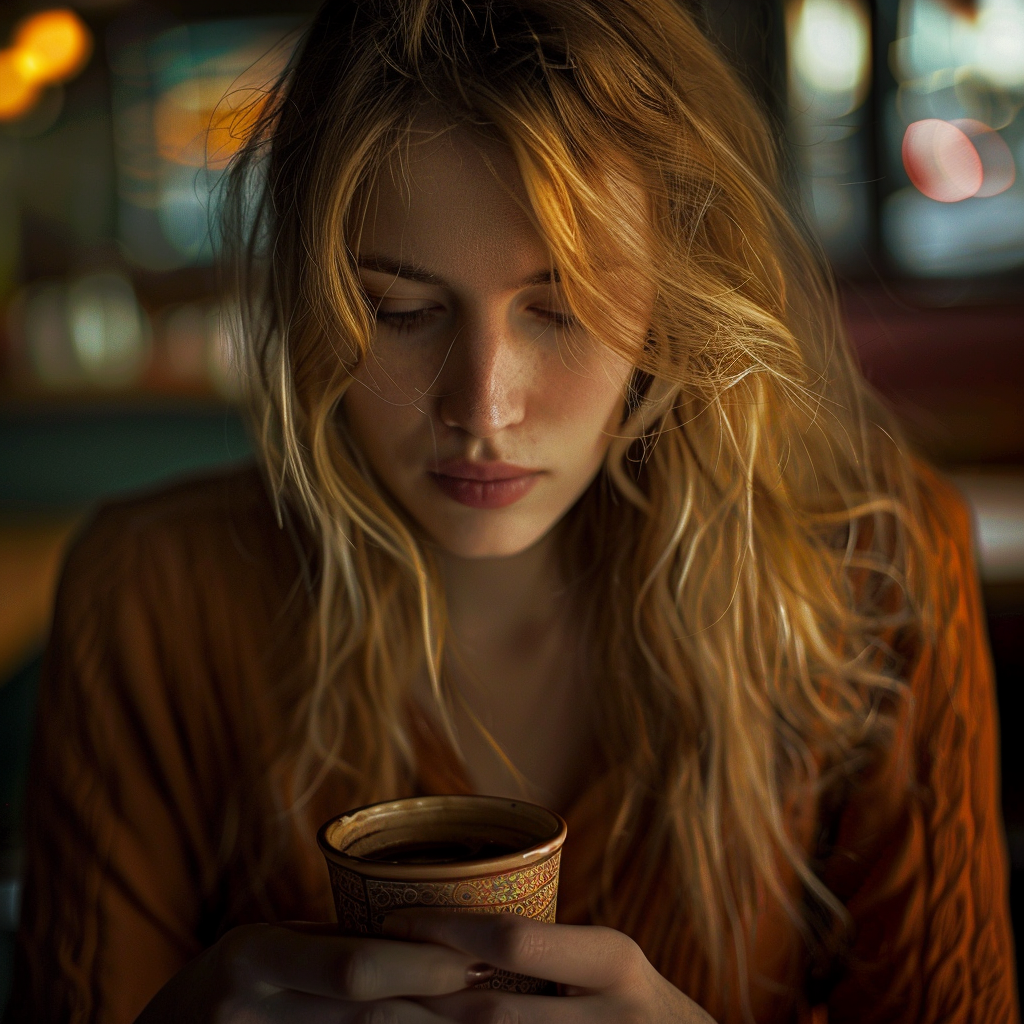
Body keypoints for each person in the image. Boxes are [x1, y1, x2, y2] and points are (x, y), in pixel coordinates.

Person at [8, 0, 1017, 1021]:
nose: (482, 407)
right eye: (400, 312)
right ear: (312, 301)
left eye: (563, 305)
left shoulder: (873, 575)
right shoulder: (154, 596)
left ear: (674, 296)